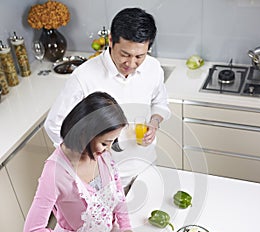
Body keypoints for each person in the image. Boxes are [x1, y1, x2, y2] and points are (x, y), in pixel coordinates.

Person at [24, 92, 140, 232]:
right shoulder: (54, 172)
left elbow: (117, 191)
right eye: (105, 143)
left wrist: (125, 226)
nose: (108, 149)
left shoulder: (100, 154)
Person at [44, 7, 171, 189]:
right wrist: (84, 159)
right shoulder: (84, 77)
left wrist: (155, 122)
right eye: (125, 54)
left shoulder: (153, 68)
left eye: (139, 56)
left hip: (146, 166)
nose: (131, 63)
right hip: (105, 179)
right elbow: (54, 125)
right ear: (111, 40)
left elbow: (160, 103)